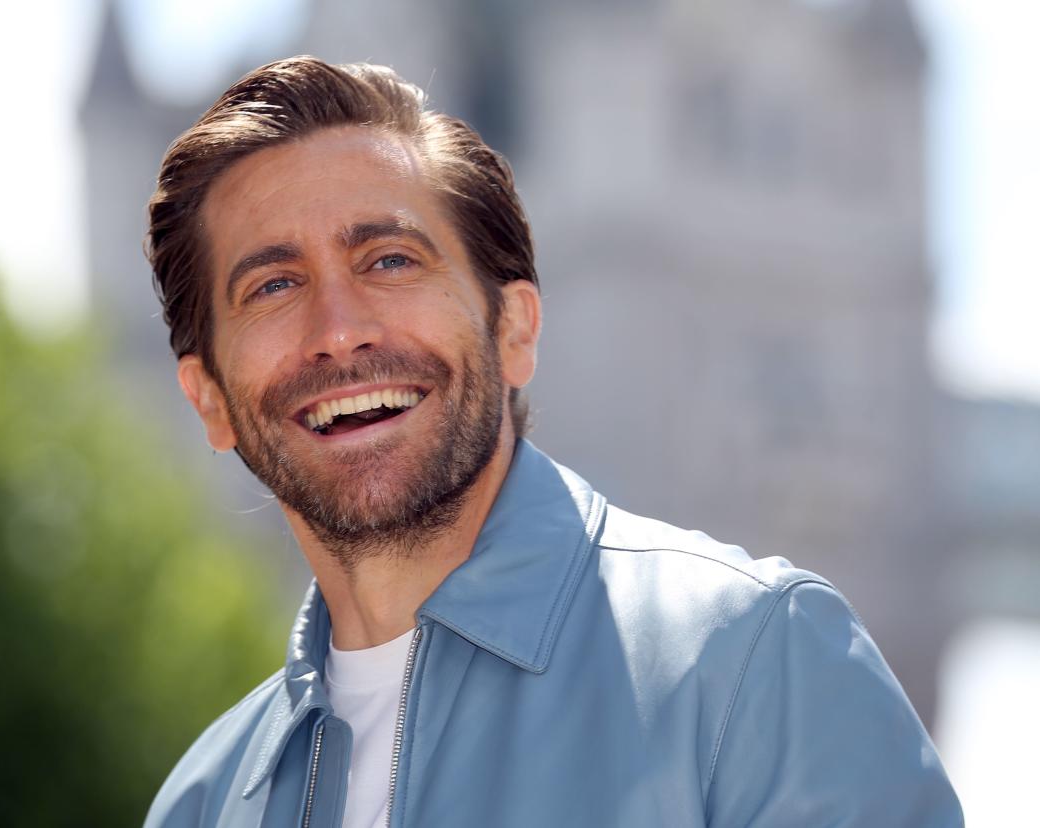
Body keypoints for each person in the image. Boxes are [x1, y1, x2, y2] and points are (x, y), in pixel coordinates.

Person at [141, 56, 962, 828]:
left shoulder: (759, 665)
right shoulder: (202, 801)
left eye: (390, 260)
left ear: (516, 330)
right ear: (208, 398)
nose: (340, 331)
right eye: (273, 285)